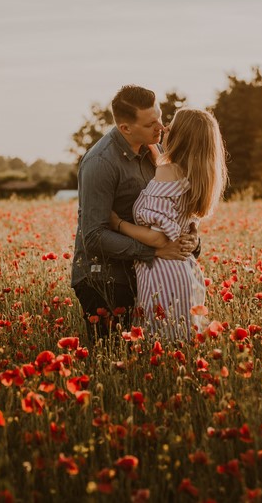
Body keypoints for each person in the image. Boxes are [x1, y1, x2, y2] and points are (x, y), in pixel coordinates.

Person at [71, 85, 199, 343]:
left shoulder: (156, 152)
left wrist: (192, 240)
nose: (161, 128)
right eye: (151, 123)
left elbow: (171, 207)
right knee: (114, 360)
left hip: (145, 272)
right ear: (126, 128)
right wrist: (153, 251)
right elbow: (94, 236)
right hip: (105, 279)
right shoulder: (100, 163)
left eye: (160, 118)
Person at [109, 108, 227, 342]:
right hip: (184, 271)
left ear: (181, 136)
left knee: (160, 340)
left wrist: (118, 223)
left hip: (161, 271)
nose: (165, 127)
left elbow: (158, 239)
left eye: (172, 124)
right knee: (181, 341)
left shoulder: (167, 171)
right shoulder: (195, 175)